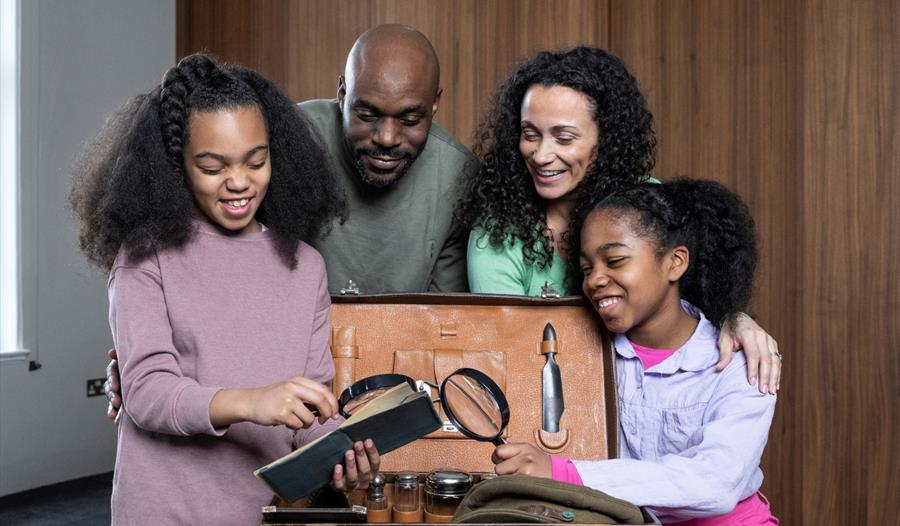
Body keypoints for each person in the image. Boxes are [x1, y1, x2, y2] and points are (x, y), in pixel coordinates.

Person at [70, 53, 378, 524]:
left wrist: (339, 451)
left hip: (259, 513)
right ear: (177, 167)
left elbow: (309, 409)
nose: (239, 182)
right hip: (163, 511)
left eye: (256, 161)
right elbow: (147, 393)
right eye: (213, 167)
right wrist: (254, 401)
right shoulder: (144, 257)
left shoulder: (306, 265)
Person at [455, 46, 781, 394]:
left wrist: (734, 318)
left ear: (607, 139)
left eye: (564, 138)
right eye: (530, 134)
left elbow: (694, 302)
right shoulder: (498, 234)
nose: (541, 154)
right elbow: (513, 354)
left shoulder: (649, 206)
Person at [492, 180, 778, 524]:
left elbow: (715, 484)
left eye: (614, 260)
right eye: (586, 269)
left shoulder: (746, 361)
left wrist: (565, 474)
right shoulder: (583, 352)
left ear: (675, 263)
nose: (595, 279)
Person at [302, 24, 473, 295]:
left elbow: (445, 317)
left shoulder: (459, 175)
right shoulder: (292, 139)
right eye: (368, 115)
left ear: (434, 104)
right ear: (342, 95)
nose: (387, 138)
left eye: (409, 120)